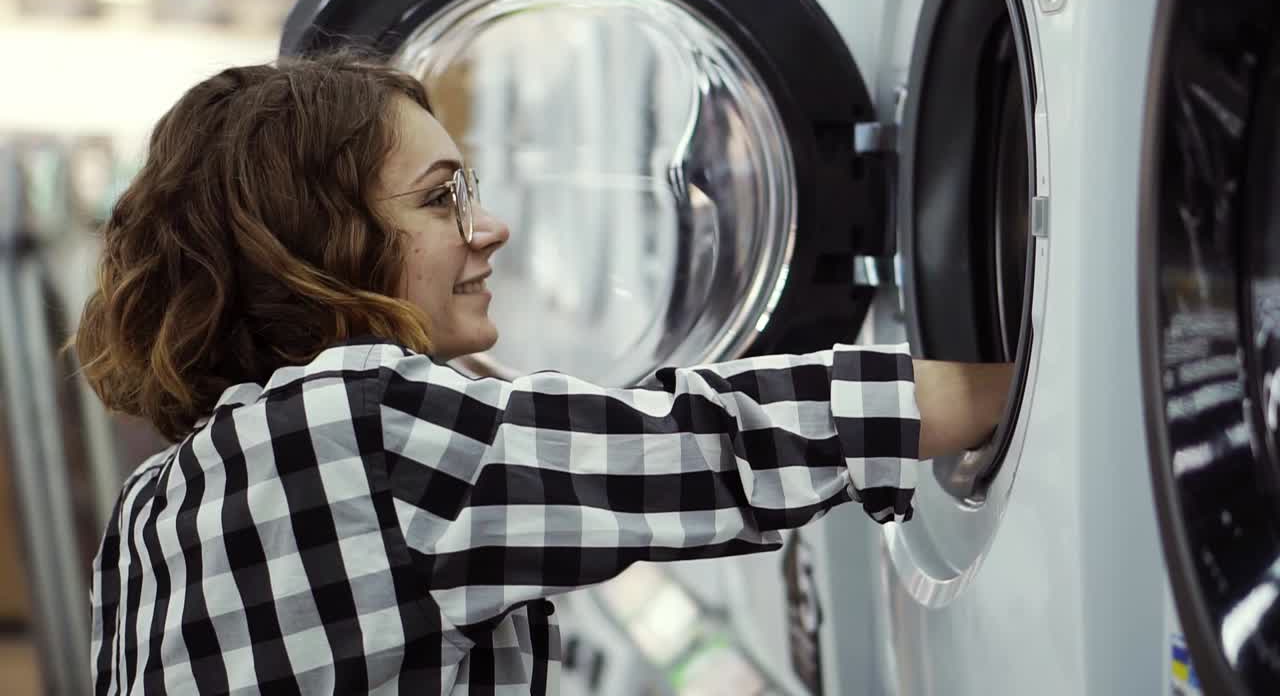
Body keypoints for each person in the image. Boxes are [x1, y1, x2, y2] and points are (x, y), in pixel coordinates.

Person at [78, 50, 1013, 695]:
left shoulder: (150, 508)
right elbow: (707, 446)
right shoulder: (358, 430)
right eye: (441, 199)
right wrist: (1022, 388)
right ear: (318, 241)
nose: (491, 229)